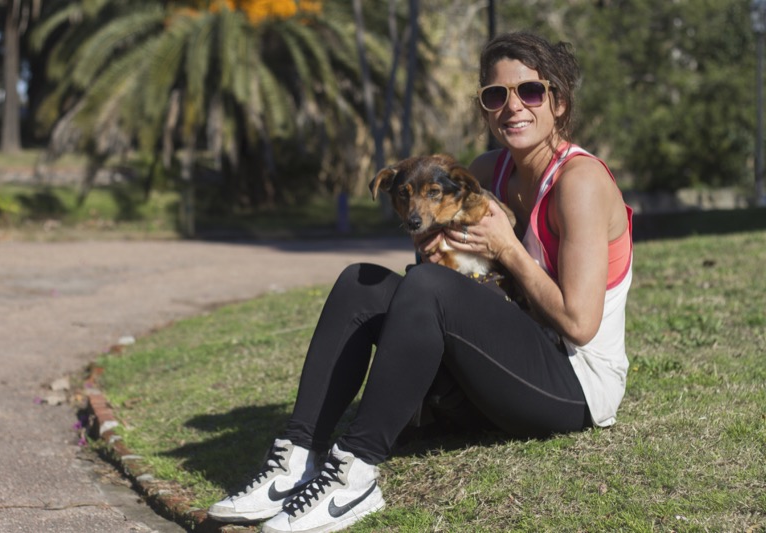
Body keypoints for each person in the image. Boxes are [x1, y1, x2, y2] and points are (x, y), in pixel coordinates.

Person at [208, 30, 633, 532]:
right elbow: (454, 280)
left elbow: (579, 325)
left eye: (531, 91)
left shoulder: (579, 183)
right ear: (483, 107)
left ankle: (357, 475)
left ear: (558, 103)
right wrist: (434, 249)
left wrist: (507, 249)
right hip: (504, 364)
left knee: (427, 289)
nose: (513, 106)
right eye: (496, 95)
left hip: (573, 385)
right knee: (362, 282)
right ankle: (298, 457)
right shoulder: (485, 172)